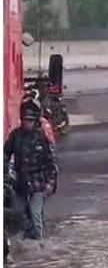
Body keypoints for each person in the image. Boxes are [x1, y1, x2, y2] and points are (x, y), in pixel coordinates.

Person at [4, 100, 58, 240]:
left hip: (38, 183)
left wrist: (50, 184)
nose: (26, 123)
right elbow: (5, 155)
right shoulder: (15, 136)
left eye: (29, 120)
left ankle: (39, 244)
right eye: (24, 120)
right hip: (20, 182)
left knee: (35, 215)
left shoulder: (41, 138)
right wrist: (7, 174)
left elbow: (51, 163)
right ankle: (23, 239)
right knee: (17, 213)